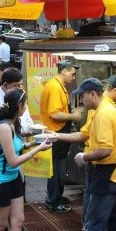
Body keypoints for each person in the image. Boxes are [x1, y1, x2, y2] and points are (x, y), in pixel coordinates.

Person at [55, 78, 116, 230]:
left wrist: (84, 157)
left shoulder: (104, 113)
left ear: (92, 94)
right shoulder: (100, 111)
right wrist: (55, 136)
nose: (81, 100)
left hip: (109, 173)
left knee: (95, 221)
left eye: (82, 96)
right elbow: (84, 135)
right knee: (112, 219)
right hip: (112, 173)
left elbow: (105, 150)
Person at [0, 88, 52, 231]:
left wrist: (34, 143)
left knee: (18, 221)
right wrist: (37, 149)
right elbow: (13, 161)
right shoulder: (3, 128)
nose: (26, 107)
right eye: (25, 104)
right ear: (19, 106)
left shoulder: (12, 124)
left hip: (13, 178)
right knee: (0, 224)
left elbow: (14, 147)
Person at [40, 60, 83, 213]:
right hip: (55, 134)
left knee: (58, 169)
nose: (73, 77)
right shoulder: (54, 87)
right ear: (64, 71)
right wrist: (74, 116)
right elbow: (55, 114)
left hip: (58, 133)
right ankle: (53, 201)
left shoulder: (58, 86)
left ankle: (55, 196)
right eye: (72, 74)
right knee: (57, 170)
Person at [0, 67, 34, 131]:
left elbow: (28, 122)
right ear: (5, 85)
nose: (19, 88)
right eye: (16, 85)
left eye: (20, 85)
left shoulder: (20, 98)